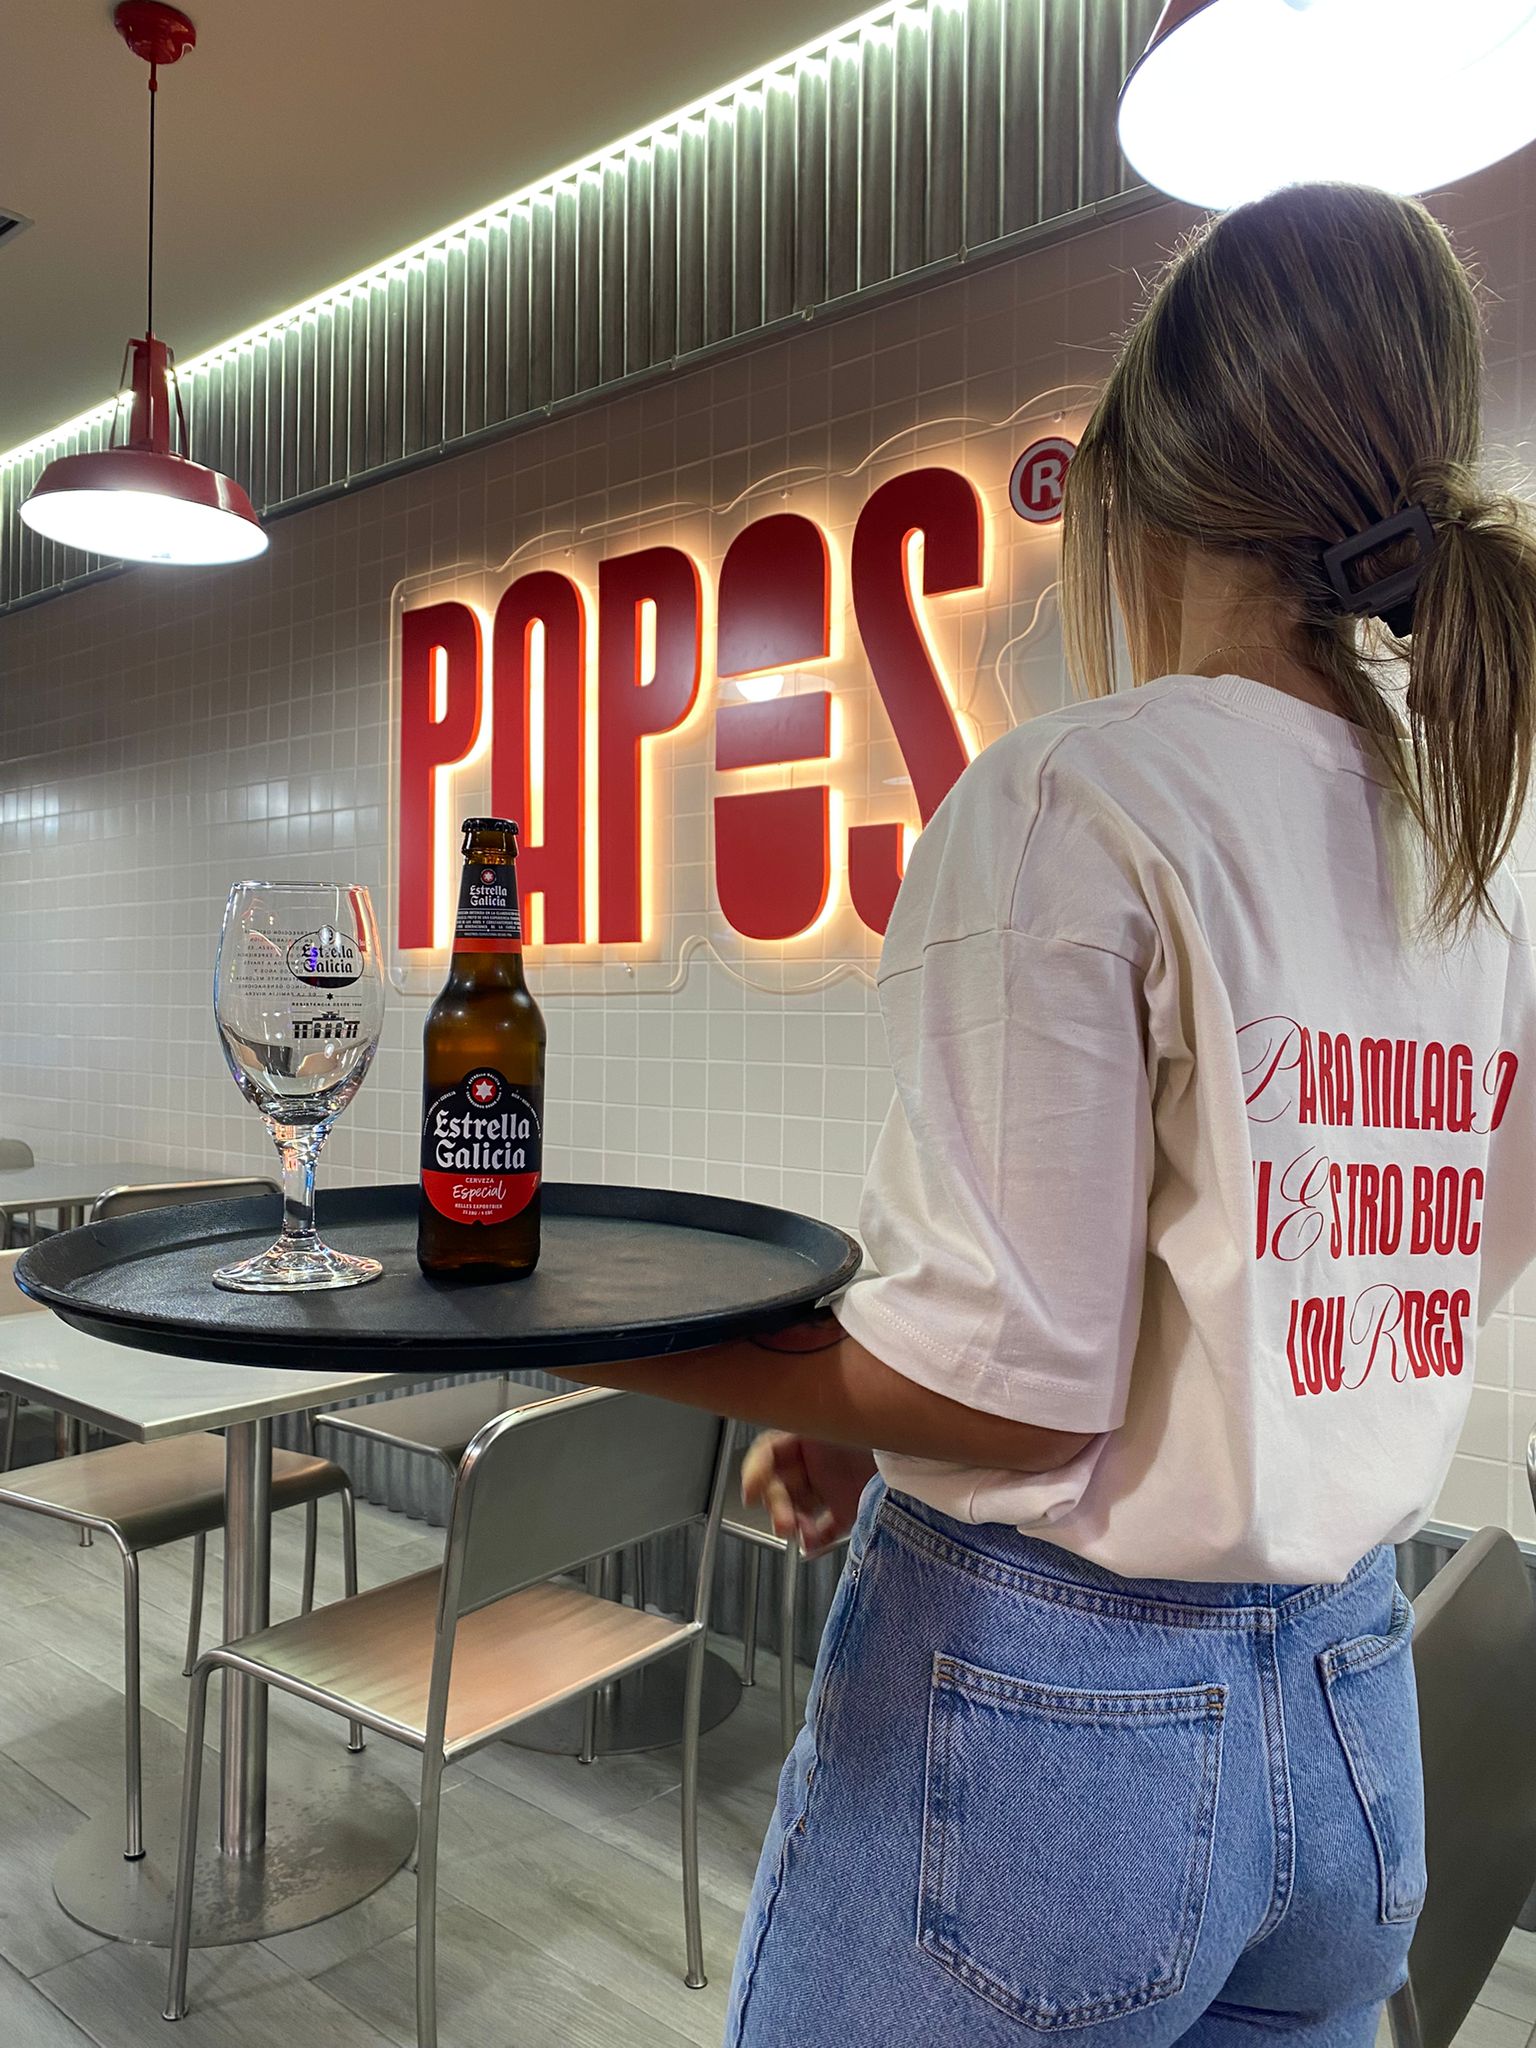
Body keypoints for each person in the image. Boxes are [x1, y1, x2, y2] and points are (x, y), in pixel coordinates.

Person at [556, 182, 1536, 2043]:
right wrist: (883, 1416)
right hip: (1352, 1714)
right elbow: (1337, 1295)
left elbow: (1016, 1397)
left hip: (1054, 1730)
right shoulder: (1480, 847)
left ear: (1133, 495)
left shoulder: (1077, 795)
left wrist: (592, 1330)